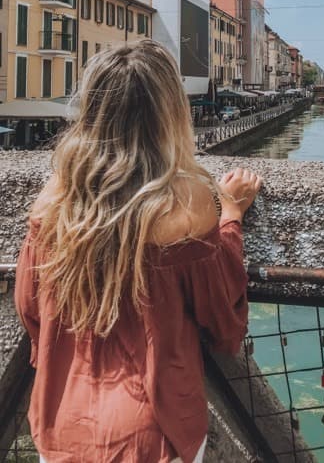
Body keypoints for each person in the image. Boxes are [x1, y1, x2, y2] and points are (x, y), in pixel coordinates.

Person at [14, 40, 262, 463]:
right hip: (156, 432)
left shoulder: (54, 201)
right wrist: (231, 215)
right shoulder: (189, 204)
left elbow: (29, 309)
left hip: (62, 424)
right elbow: (224, 318)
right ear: (171, 114)